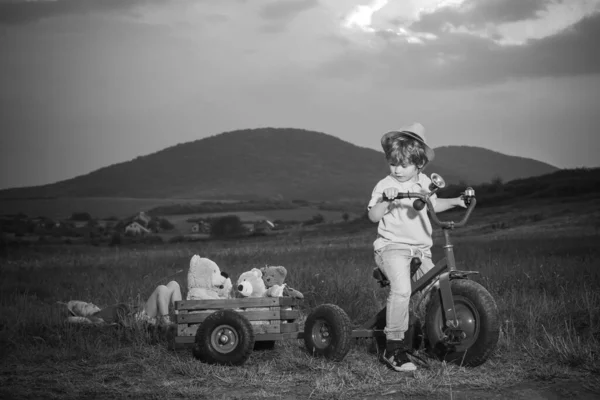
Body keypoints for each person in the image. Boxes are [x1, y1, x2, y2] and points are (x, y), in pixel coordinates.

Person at [367, 122, 466, 372]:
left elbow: (434, 204)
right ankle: (394, 350)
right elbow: (373, 216)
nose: (397, 170)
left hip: (421, 251)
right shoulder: (385, 185)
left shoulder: (424, 182)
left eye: (404, 165)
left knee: (438, 288)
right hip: (392, 249)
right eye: (393, 164)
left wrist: (456, 200)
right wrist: (386, 201)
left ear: (419, 163)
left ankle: (439, 339)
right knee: (401, 291)